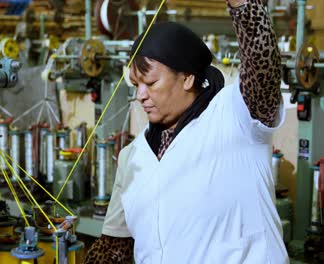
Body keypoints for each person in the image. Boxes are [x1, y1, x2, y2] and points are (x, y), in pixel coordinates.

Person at [84, 0, 288, 263]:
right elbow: (115, 248)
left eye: (151, 82)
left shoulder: (235, 119)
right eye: (136, 85)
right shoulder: (133, 157)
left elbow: (263, 70)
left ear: (187, 77)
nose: (140, 96)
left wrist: (244, 7)